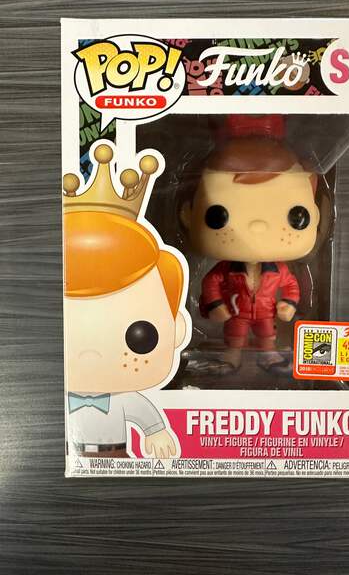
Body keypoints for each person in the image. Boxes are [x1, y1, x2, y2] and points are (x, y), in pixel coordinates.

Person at [64, 142, 188, 458]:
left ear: (177, 328)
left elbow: (146, 417)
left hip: (118, 459)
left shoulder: (124, 399)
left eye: (140, 337)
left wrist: (156, 433)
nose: (91, 354)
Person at [181, 115, 319, 371]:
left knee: (267, 334)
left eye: (296, 216)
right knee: (235, 333)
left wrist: (289, 303)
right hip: (238, 312)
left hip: (265, 313)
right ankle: (232, 354)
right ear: (188, 215)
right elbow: (211, 282)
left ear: (317, 213)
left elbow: (291, 285)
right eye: (218, 216)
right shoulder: (226, 269)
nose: (257, 227)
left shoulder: (279, 270)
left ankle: (268, 355)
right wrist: (216, 304)